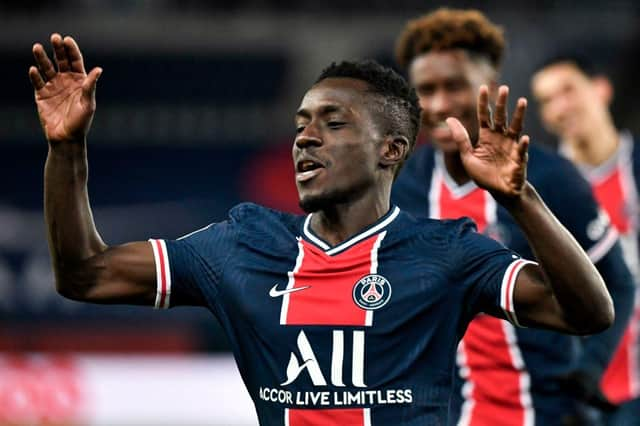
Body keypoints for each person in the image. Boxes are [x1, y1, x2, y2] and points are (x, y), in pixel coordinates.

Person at [30, 33, 615, 426]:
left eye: (333, 123)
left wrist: (521, 199)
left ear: (392, 149)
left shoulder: (446, 251)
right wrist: (67, 149)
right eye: (301, 124)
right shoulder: (239, 245)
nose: (305, 138)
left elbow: (587, 313)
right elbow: (85, 275)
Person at [392, 9, 635, 426]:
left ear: (488, 88)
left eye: (454, 86)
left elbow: (619, 281)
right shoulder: (401, 190)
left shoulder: (550, 177)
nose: (439, 104)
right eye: (425, 90)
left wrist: (589, 370)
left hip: (549, 412)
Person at [532, 54, 640, 426]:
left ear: (601, 89)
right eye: (547, 101)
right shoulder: (537, 190)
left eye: (568, 90)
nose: (560, 107)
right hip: (573, 390)